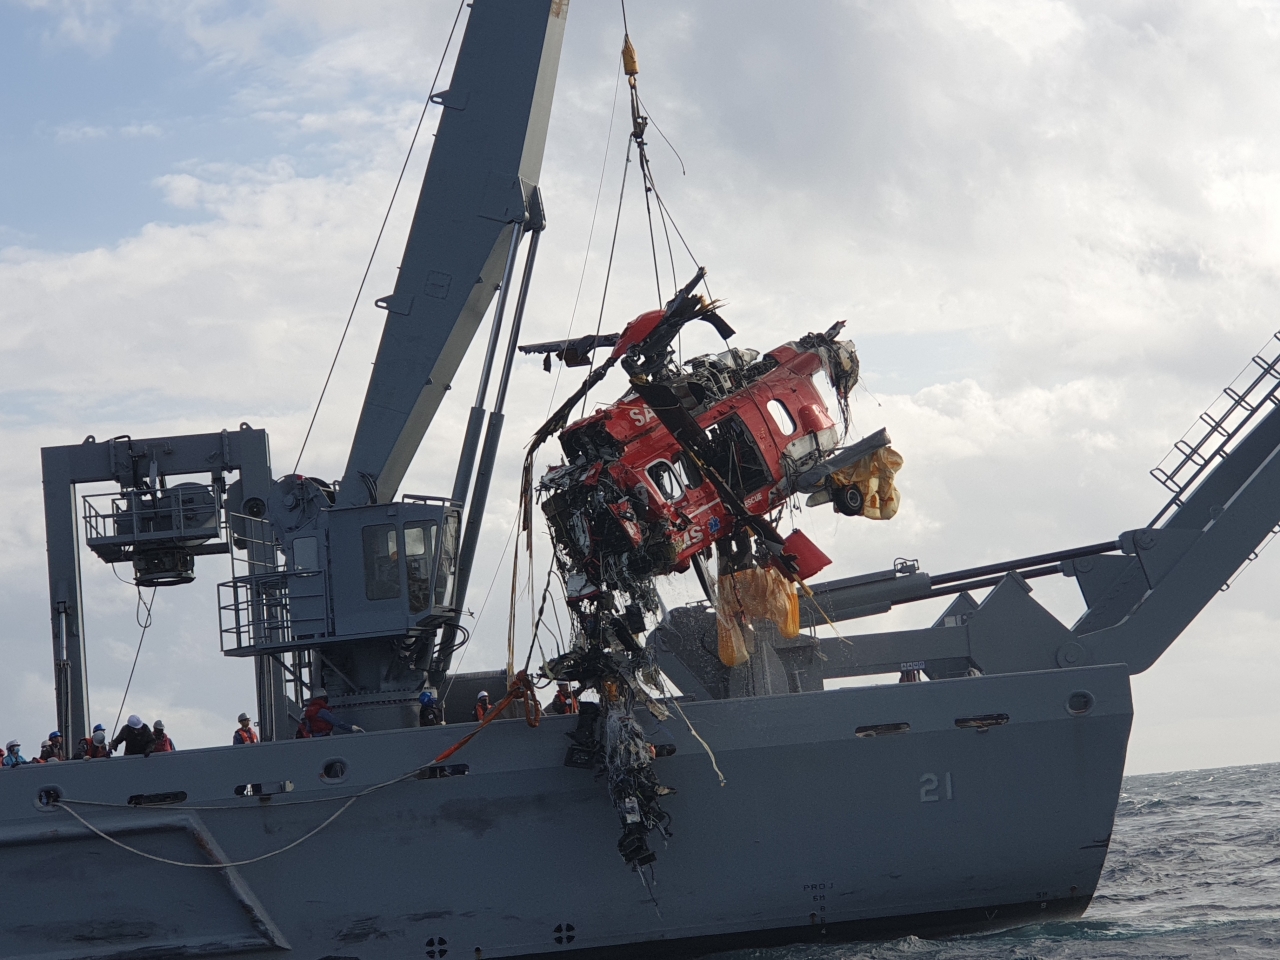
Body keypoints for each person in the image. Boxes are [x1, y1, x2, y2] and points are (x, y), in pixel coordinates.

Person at [296, 689, 364, 738]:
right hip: (325, 737)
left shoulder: (310, 712)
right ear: (323, 699)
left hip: (315, 738)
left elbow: (308, 729)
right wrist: (351, 728)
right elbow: (337, 722)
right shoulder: (322, 712)